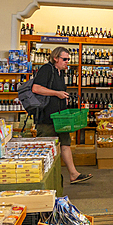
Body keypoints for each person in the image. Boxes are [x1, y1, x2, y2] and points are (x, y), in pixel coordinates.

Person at [32, 47, 92, 184]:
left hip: (60, 117)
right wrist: (57, 93)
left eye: (68, 60)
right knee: (46, 147)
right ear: (55, 58)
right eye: (64, 59)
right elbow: (36, 88)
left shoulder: (59, 73)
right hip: (47, 117)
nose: (67, 62)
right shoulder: (46, 69)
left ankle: (73, 174)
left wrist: (62, 97)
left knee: (65, 144)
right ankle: (42, 178)